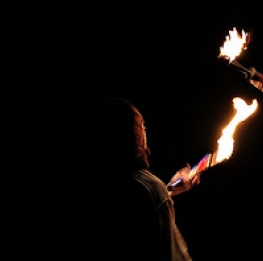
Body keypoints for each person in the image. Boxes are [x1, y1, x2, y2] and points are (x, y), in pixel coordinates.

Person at [74, 97, 202, 261]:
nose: (144, 131)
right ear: (132, 134)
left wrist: (169, 189)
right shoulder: (150, 188)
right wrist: (161, 194)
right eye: (141, 126)